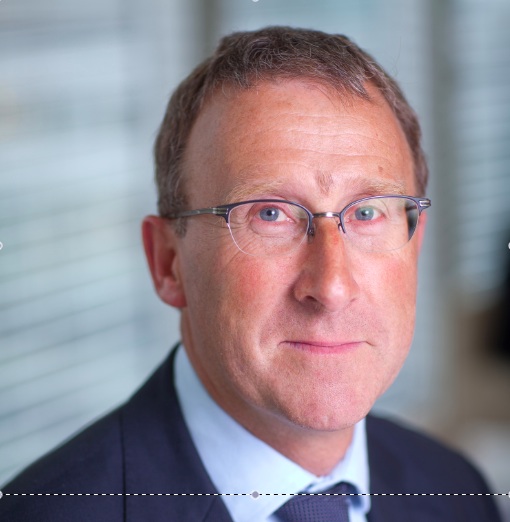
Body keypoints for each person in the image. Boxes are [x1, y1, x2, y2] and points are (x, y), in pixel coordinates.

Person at [0, 26, 502, 522]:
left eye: (368, 213)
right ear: (168, 262)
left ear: (416, 243)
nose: (332, 287)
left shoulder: (456, 490)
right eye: (270, 214)